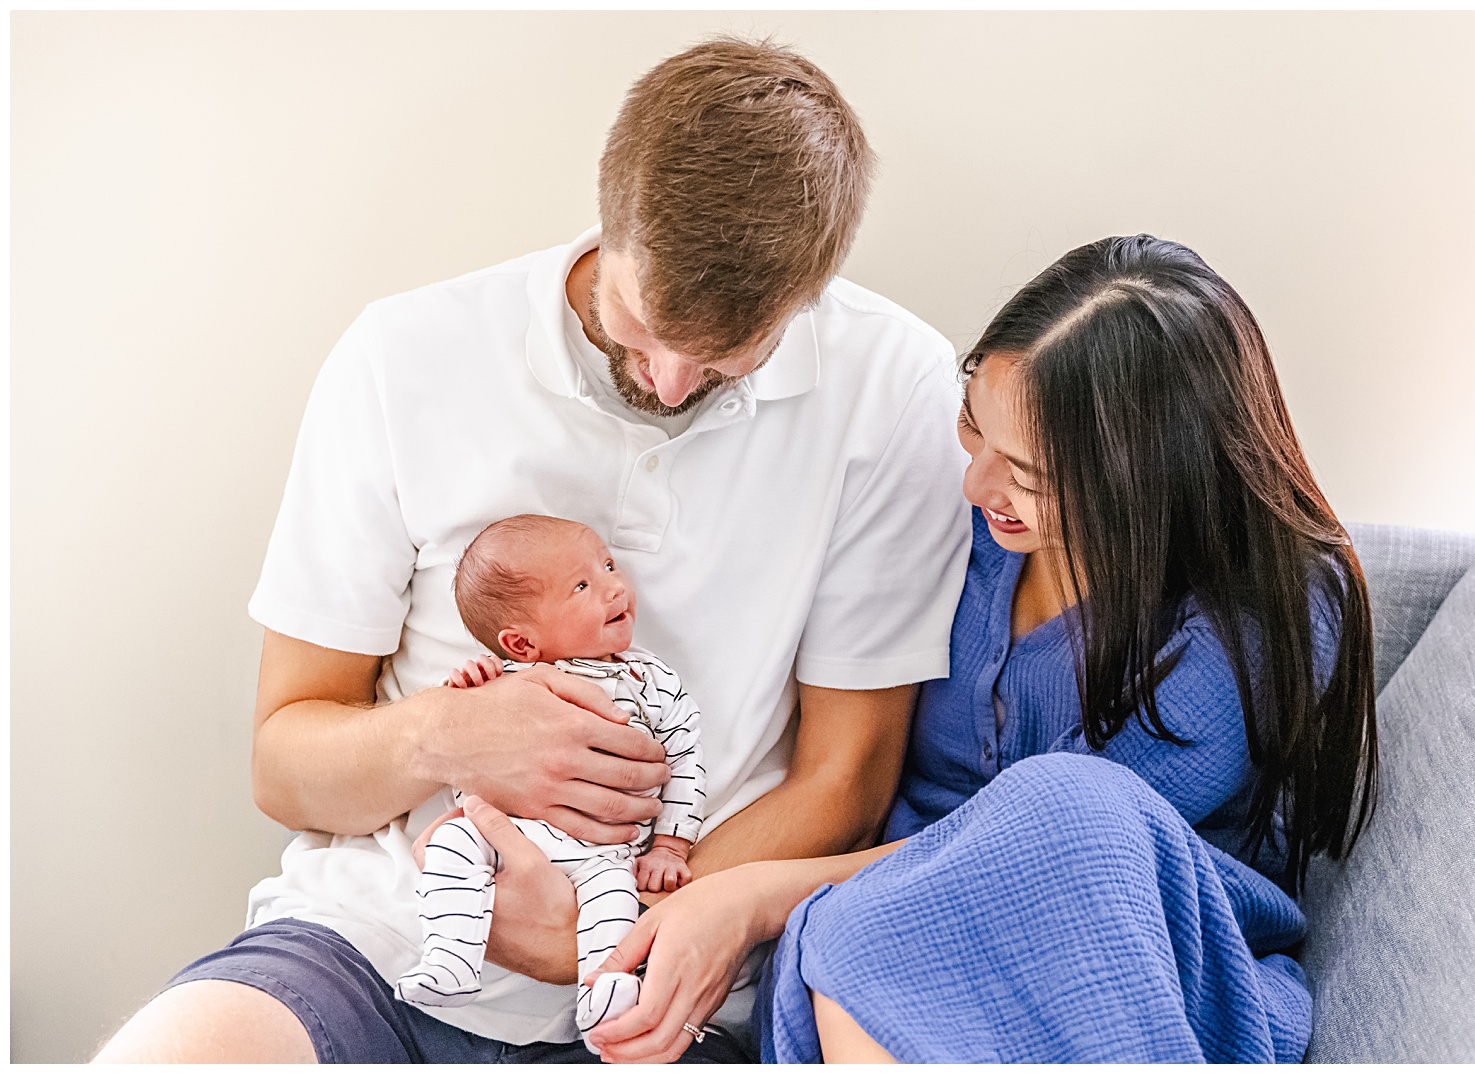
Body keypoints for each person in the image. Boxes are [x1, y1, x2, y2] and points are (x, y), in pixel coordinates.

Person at [93, 37, 971, 1064]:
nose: (675, 382)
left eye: (731, 356)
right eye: (644, 328)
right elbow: (284, 762)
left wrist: (615, 921)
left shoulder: (892, 384)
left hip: (679, 993)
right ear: (610, 222)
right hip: (378, 945)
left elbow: (847, 774)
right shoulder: (403, 357)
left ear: (813, 291)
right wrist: (446, 739)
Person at [577, 234, 1380, 1064]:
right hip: (867, 934)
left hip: (1123, 962)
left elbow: (1041, 850)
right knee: (869, 944)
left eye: (1028, 474)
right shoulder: (964, 529)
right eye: (972, 427)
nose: (976, 486)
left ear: (1149, 479)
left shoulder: (1267, 613)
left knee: (1063, 803)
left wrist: (750, 899)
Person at [394, 515, 704, 1058]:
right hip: (508, 835)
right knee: (450, 843)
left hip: (605, 852)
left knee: (614, 900)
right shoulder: (508, 683)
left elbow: (686, 762)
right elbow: (465, 737)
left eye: (607, 566)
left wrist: (672, 846)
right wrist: (467, 690)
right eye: (582, 586)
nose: (614, 586)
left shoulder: (650, 681)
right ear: (521, 642)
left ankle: (604, 991)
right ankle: (451, 955)